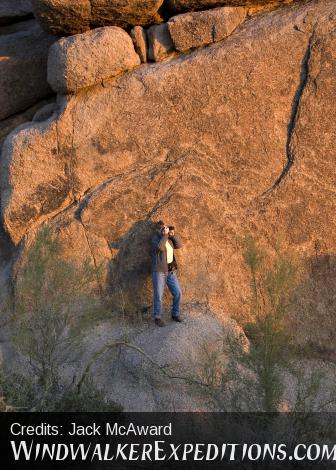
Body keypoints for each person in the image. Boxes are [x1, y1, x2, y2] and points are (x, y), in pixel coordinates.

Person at [151, 220, 183, 327]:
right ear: (158, 229)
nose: (165, 229)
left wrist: (172, 235)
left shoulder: (168, 239)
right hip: (159, 271)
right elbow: (160, 247)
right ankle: (157, 317)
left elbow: (179, 245)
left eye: (165, 227)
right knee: (159, 295)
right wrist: (164, 236)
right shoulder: (155, 238)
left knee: (178, 293)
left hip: (170, 271)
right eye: (162, 228)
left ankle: (175, 314)